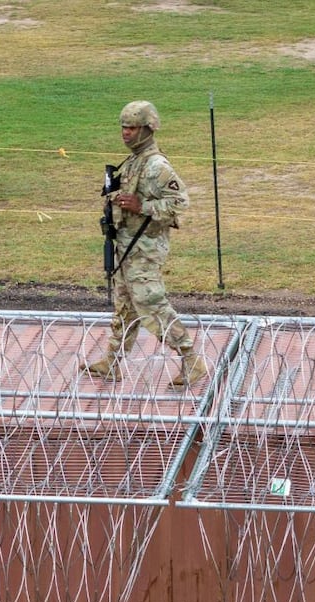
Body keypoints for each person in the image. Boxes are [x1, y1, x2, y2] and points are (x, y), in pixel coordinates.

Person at [81, 101, 207, 389]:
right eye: (123, 127)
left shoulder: (156, 165)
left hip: (145, 247)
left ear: (148, 129)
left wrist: (142, 206)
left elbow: (179, 204)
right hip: (128, 244)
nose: (125, 133)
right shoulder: (135, 160)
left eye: (132, 128)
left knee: (151, 302)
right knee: (126, 306)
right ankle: (111, 362)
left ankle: (191, 359)